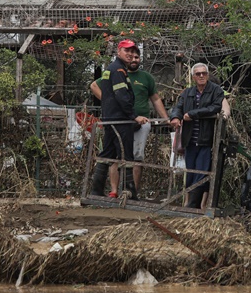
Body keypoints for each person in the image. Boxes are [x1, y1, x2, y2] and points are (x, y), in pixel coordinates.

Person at [90, 45, 168, 198]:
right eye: (127, 51)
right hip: (121, 120)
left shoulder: (111, 70)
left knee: (108, 153)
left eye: (133, 52)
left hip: (110, 119)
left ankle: (96, 191)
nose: (130, 55)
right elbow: (121, 96)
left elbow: (154, 98)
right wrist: (133, 116)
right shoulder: (118, 70)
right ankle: (129, 191)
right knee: (126, 155)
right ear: (118, 52)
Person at [169, 63, 225, 209]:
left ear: (207, 74)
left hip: (206, 139)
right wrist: (175, 117)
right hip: (189, 139)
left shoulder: (216, 91)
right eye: (198, 74)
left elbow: (215, 107)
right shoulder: (188, 93)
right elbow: (178, 107)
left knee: (201, 171)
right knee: (191, 171)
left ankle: (194, 204)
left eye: (204, 73)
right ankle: (191, 204)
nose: (201, 76)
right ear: (193, 77)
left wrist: (193, 114)